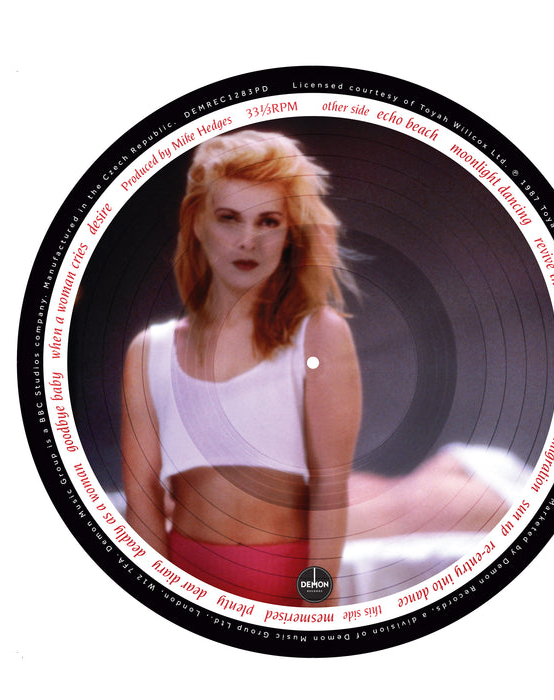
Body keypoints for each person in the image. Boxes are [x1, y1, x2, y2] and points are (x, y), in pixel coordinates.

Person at [121, 130, 362, 607]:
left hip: (287, 585)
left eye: (268, 221)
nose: (247, 241)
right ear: (197, 223)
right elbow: (141, 499)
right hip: (181, 579)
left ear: (289, 234)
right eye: (228, 218)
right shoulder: (149, 352)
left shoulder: (319, 336)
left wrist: (316, 606)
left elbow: (330, 488)